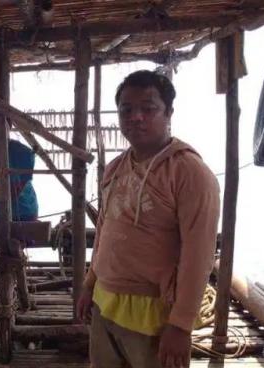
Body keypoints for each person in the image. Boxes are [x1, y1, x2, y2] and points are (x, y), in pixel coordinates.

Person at [76, 71, 220, 368]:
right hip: (105, 304)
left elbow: (200, 254)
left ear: (169, 112)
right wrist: (90, 284)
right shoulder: (115, 168)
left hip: (153, 315)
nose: (136, 117)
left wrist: (180, 325)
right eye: (126, 110)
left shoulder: (190, 173)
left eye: (148, 108)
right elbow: (104, 228)